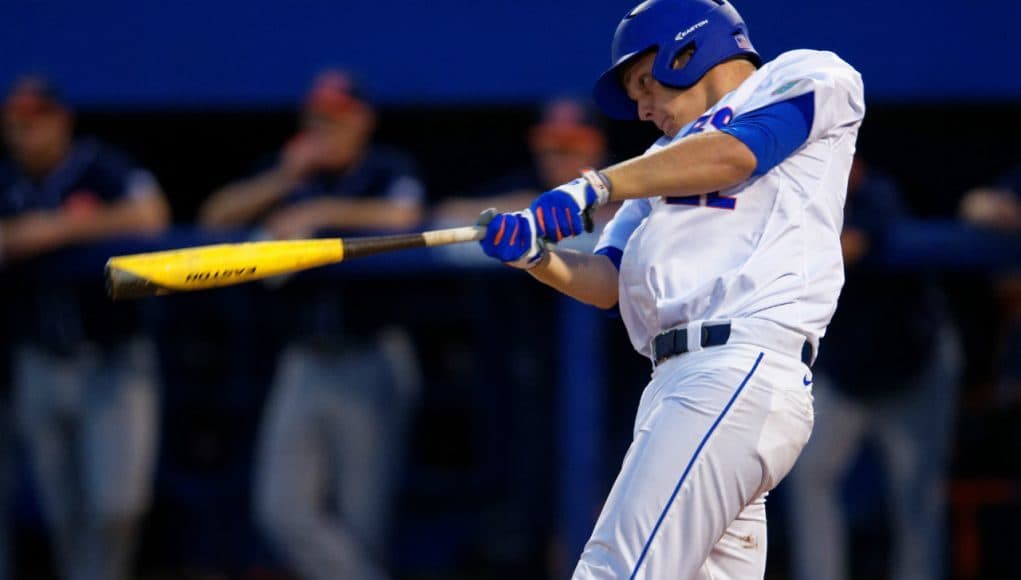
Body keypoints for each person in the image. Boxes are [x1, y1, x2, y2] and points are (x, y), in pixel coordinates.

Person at [477, 0, 865, 577]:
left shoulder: (805, 74)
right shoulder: (660, 163)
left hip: (736, 368)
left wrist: (592, 186)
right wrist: (538, 259)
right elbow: (608, 282)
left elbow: (740, 153)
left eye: (644, 85)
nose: (642, 109)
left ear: (688, 51)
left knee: (615, 568)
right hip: (679, 383)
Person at [199, 70, 424, 580]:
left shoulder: (385, 169)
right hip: (304, 359)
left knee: (362, 519)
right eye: (316, 118)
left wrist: (318, 213)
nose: (324, 128)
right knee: (280, 510)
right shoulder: (290, 177)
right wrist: (284, 179)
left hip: (372, 356)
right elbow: (214, 217)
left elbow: (405, 216)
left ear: (361, 121)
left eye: (336, 118)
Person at [0, 76, 170, 580]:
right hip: (40, 361)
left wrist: (55, 229)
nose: (23, 134)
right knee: (65, 516)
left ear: (61, 121)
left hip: (112, 360)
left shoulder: (101, 168)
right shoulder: (8, 180)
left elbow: (151, 216)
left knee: (116, 507)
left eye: (35, 122)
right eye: (15, 124)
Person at [784, 158, 964, 580]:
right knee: (810, 474)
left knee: (916, 499)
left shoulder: (877, 193)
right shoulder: (796, 201)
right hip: (846, 379)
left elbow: (855, 243)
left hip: (913, 372)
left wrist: (796, 251)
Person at [432, 97, 609, 226]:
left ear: (597, 146)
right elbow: (447, 210)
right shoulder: (523, 183)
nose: (560, 156)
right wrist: (526, 208)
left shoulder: (616, 181)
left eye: (573, 144)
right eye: (550, 143)